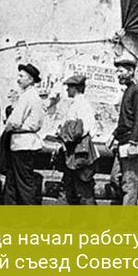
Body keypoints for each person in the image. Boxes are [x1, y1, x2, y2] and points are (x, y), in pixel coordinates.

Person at [3, 63, 45, 205]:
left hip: (22, 143)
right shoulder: (35, 97)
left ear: (31, 79)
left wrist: (7, 126)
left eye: (21, 76)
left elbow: (14, 121)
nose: (18, 79)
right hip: (26, 142)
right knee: (15, 180)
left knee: (22, 182)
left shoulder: (27, 97)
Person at [58, 75, 98, 205]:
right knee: (73, 185)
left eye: (69, 87)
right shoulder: (82, 104)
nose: (67, 90)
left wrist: (63, 133)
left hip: (80, 151)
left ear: (75, 88)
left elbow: (79, 131)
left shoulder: (79, 104)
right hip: (80, 149)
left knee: (83, 186)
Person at [112, 56, 138, 205]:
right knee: (115, 178)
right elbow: (126, 119)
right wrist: (113, 135)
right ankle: (135, 206)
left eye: (121, 71)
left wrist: (134, 142)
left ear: (131, 71)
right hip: (122, 141)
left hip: (130, 142)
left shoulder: (137, 91)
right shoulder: (128, 91)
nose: (118, 74)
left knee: (129, 182)